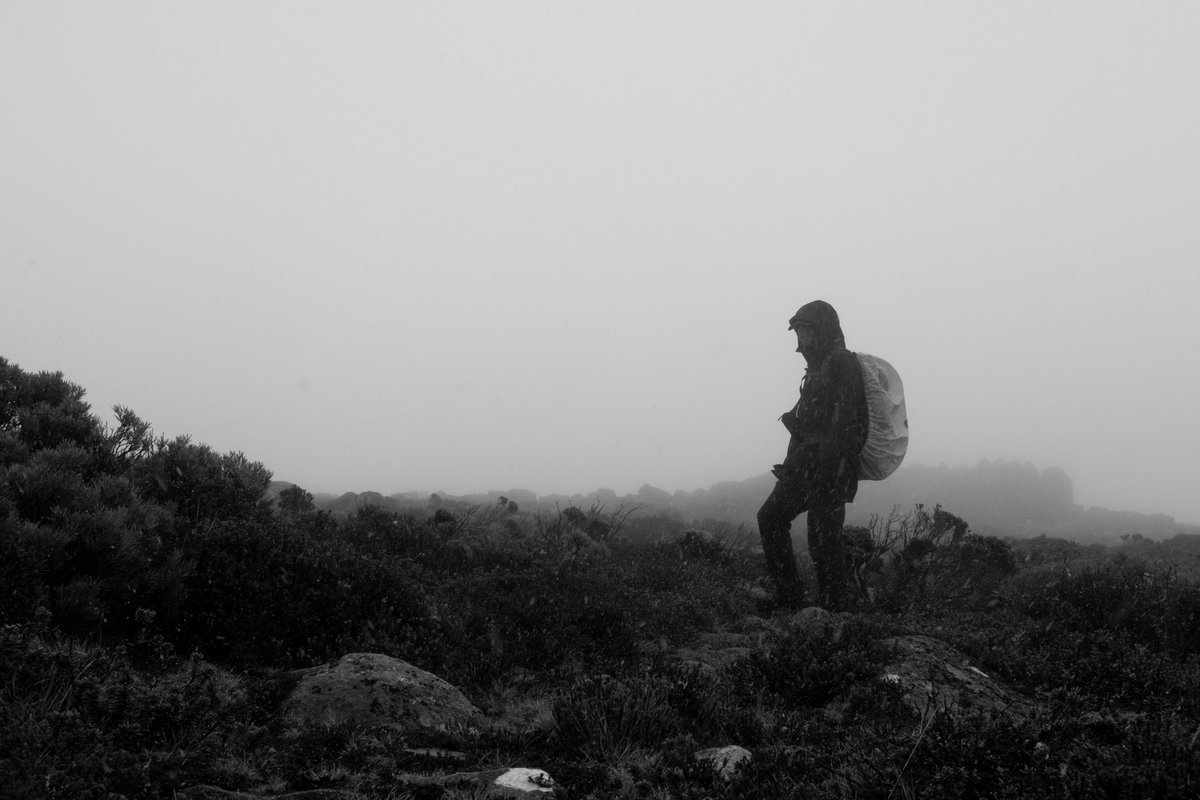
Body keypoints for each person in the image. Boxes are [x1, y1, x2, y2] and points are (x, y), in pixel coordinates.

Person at [757, 300, 868, 610]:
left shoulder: (840, 363)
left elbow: (845, 423)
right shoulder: (818, 368)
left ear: (821, 330)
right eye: (799, 332)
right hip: (807, 467)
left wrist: (828, 460)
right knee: (772, 519)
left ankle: (834, 611)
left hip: (830, 470)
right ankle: (795, 600)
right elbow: (808, 426)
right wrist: (793, 460)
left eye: (806, 331)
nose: (801, 339)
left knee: (823, 540)